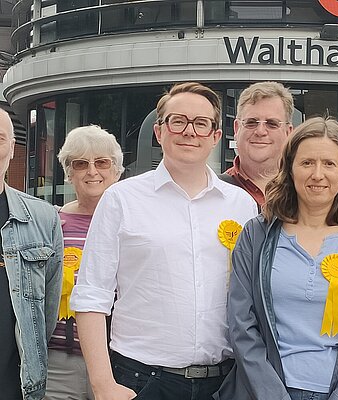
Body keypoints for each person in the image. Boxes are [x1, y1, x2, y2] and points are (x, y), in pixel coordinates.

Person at [71, 82, 258, 400]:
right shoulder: (121, 199)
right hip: (141, 380)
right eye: (178, 121)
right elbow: (91, 295)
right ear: (159, 131)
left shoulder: (241, 205)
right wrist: (103, 385)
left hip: (225, 382)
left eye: (201, 123)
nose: (190, 131)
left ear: (215, 136)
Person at [215, 116, 338, 400]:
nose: (317, 174)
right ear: (290, 169)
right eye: (307, 163)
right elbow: (241, 326)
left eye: (329, 164)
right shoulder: (256, 235)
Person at [46, 125, 124, 400]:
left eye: (102, 162)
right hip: (58, 362)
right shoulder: (51, 225)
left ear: (117, 170)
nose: (92, 171)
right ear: (69, 173)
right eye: (81, 164)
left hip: (119, 361)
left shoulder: (134, 224)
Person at [0, 107, 63, 400]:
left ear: (12, 148)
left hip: (15, 386)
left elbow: (45, 315)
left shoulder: (42, 218)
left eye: (0, 138)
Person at [220, 81, 294, 206]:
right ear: (237, 128)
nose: (260, 131)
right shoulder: (213, 193)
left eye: (272, 123)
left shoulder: (303, 192)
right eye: (251, 122)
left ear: (288, 132)